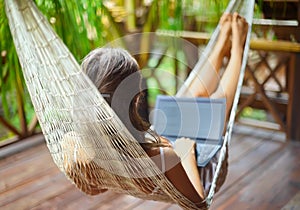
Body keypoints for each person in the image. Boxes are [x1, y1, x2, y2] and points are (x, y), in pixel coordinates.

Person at [67, 12, 248, 206]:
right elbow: (199, 204)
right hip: (195, 165)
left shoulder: (74, 145)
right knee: (215, 103)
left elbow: (93, 189)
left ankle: (222, 43)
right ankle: (237, 47)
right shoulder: (162, 158)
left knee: (195, 98)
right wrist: (186, 155)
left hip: (152, 138)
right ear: (137, 98)